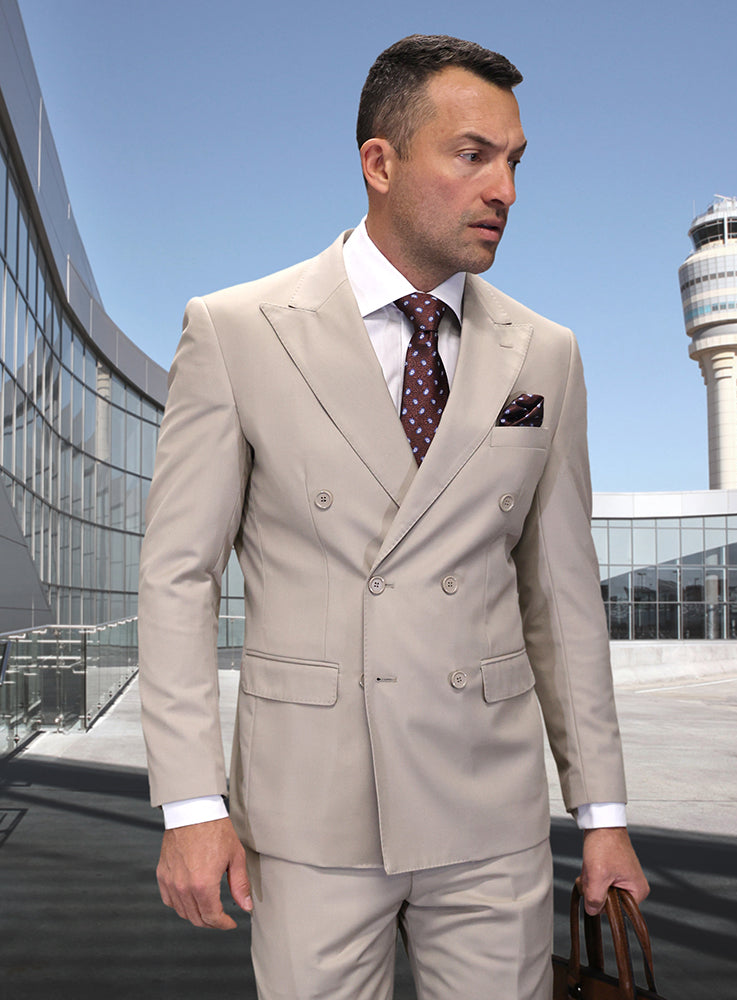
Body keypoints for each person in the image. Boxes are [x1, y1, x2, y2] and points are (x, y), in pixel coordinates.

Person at [139, 34, 648, 1000]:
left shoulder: (547, 353)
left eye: (514, 160)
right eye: (471, 155)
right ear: (379, 162)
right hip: (309, 816)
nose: (503, 187)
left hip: (489, 811)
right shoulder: (237, 331)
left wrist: (603, 813)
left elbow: (563, 598)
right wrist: (190, 806)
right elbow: (178, 578)